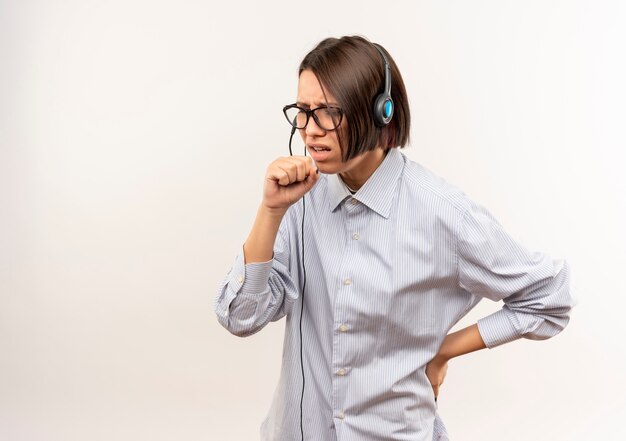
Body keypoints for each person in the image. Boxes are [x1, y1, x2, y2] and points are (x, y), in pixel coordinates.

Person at [214, 35, 574, 441]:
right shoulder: (298, 201)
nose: (309, 131)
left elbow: (550, 295)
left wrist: (446, 348)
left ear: (381, 113)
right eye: (302, 111)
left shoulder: (441, 211)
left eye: (328, 113)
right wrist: (271, 211)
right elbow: (240, 316)